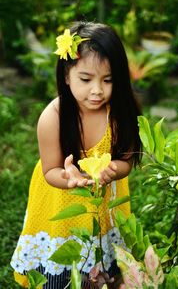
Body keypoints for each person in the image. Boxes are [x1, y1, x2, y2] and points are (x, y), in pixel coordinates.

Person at [11, 21, 142, 288]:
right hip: (60, 199)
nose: (97, 90)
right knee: (61, 265)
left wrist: (113, 170)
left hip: (103, 201)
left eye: (108, 80)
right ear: (67, 74)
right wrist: (69, 179)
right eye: (86, 79)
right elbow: (50, 170)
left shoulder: (117, 114)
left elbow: (126, 160)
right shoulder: (54, 117)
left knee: (105, 262)